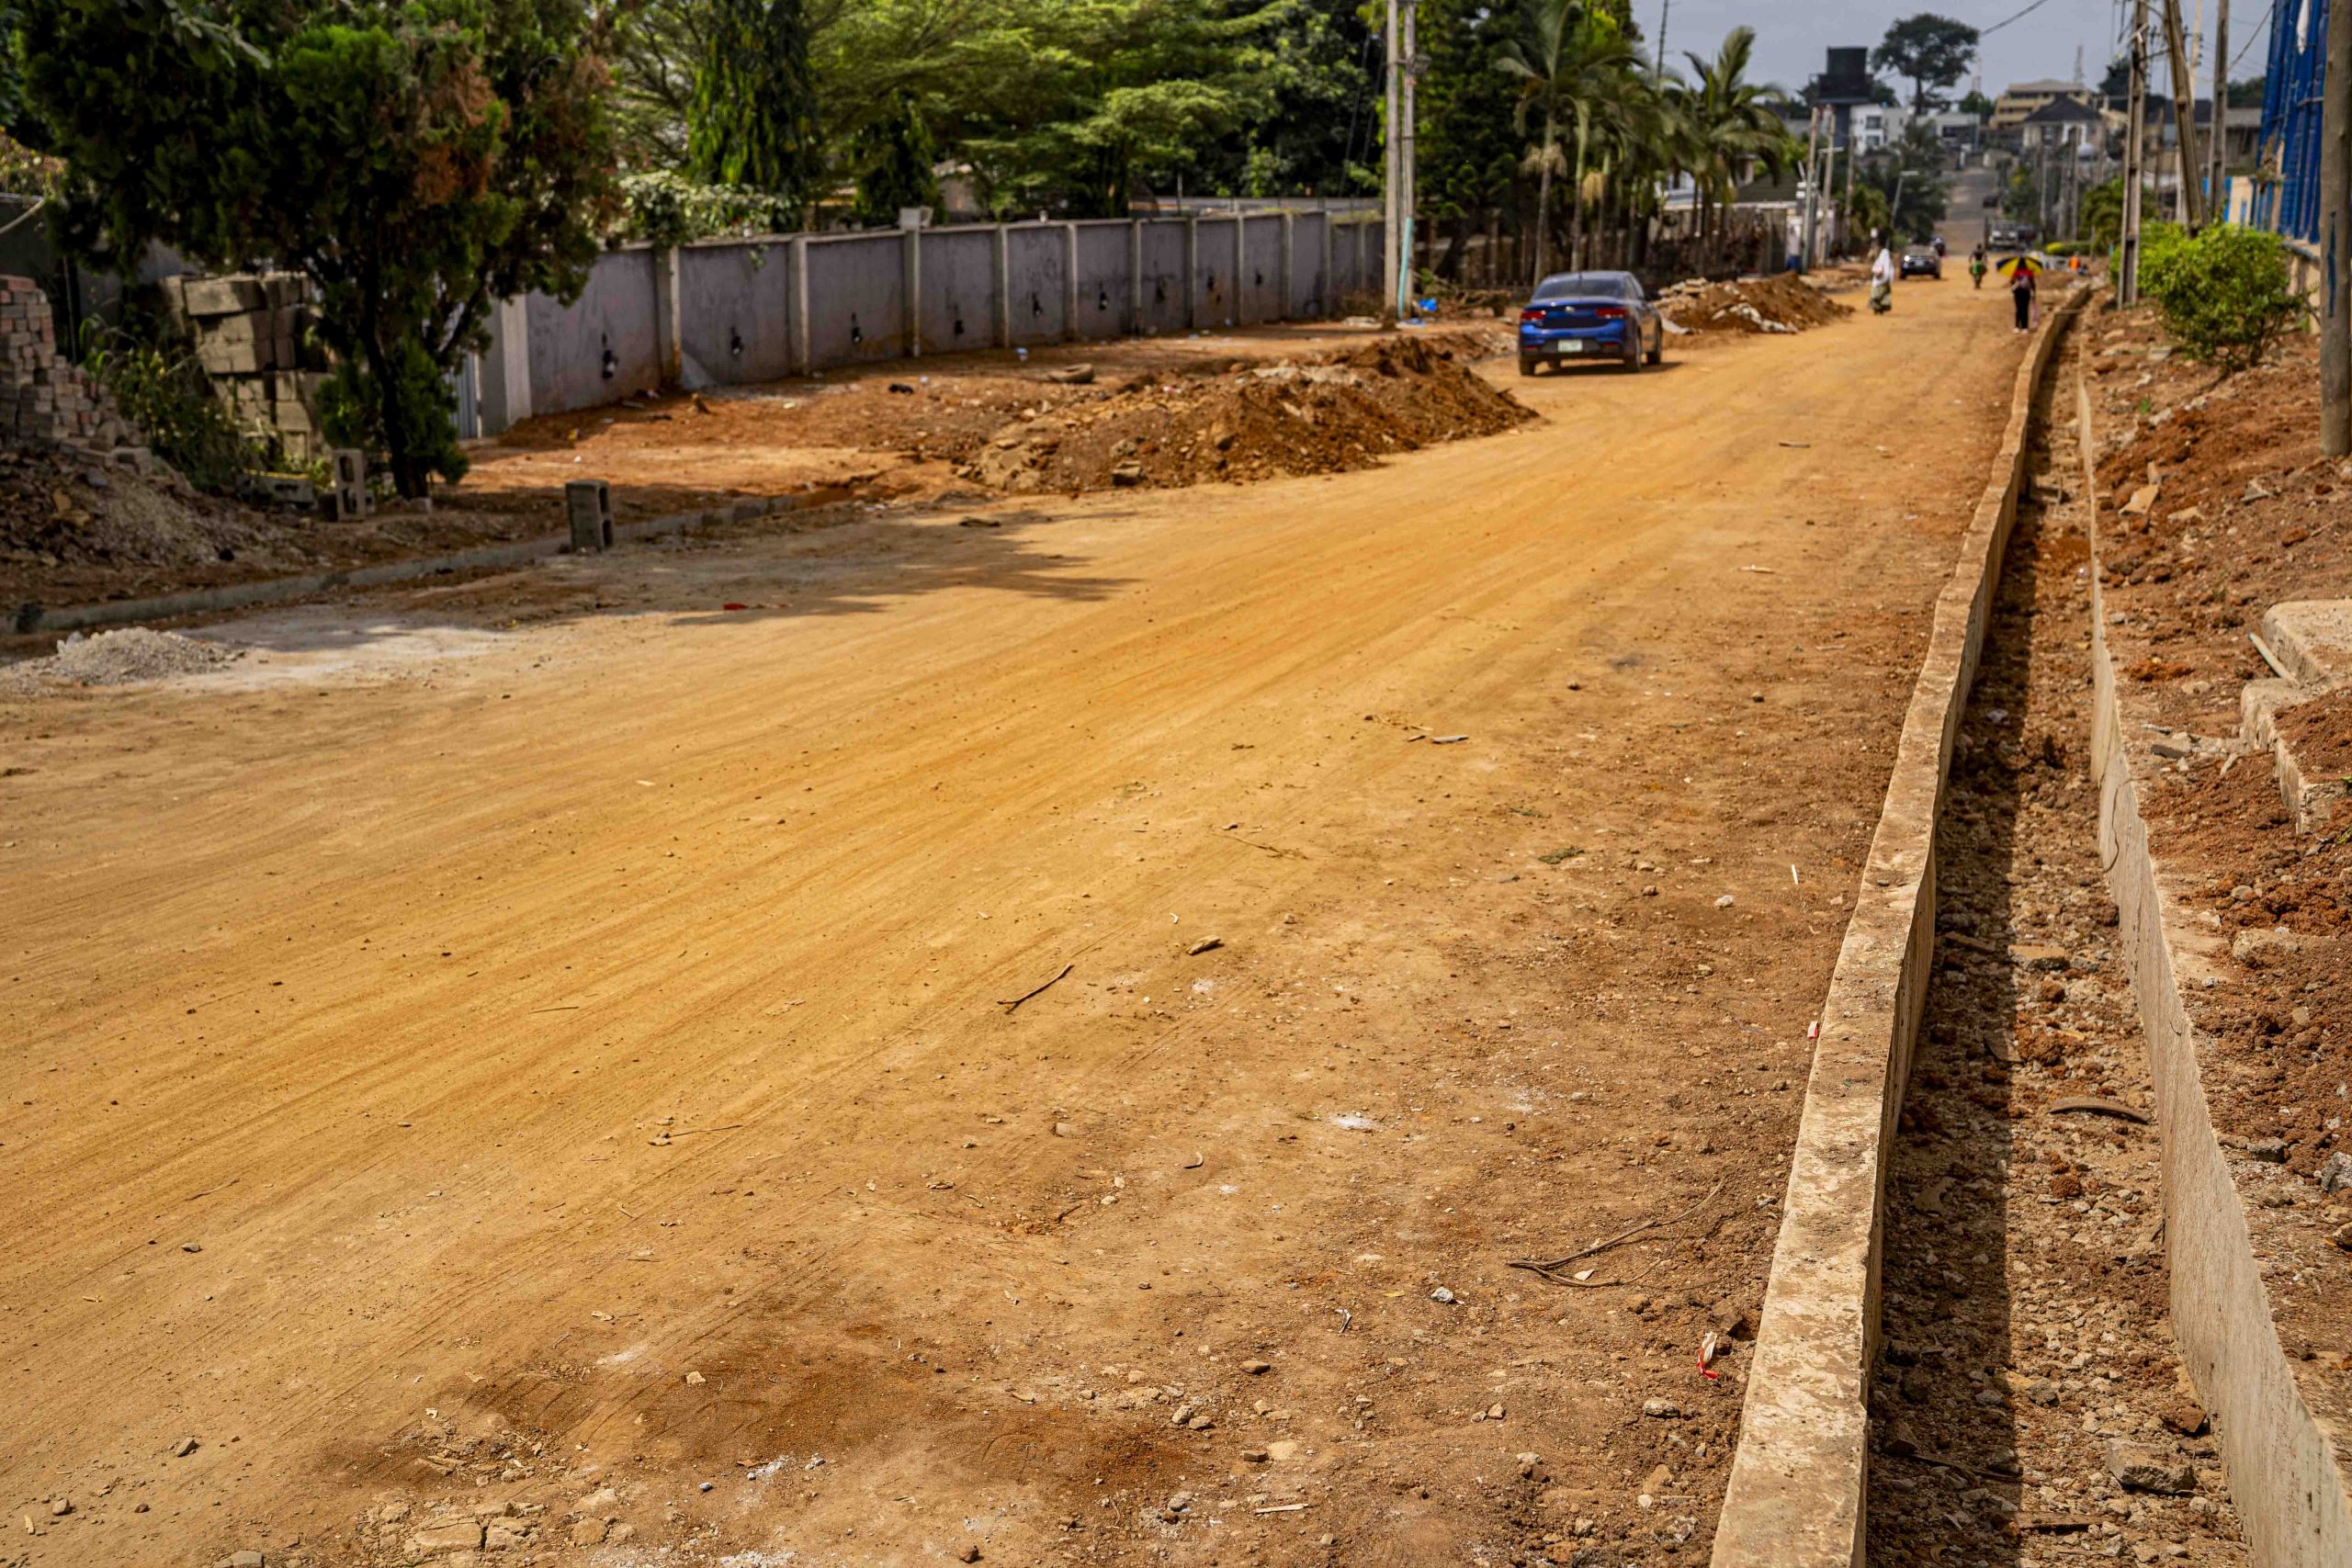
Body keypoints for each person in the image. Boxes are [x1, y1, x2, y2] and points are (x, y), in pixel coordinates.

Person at [1870, 233, 1896, 315]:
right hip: (1880, 277)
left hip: (1883, 277)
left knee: (1880, 295)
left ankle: (1879, 309)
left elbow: (1887, 266)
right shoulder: (1880, 253)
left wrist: (1887, 276)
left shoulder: (1885, 253)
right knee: (1879, 294)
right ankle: (1878, 309)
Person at [2010, 260, 2036, 333]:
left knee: (2020, 309)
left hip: (2020, 292)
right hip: (2022, 292)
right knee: (2022, 309)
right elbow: (2032, 284)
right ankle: (2023, 327)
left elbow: (2011, 283)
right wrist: (2033, 293)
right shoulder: (2028, 272)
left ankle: (2019, 326)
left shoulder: (2017, 272)